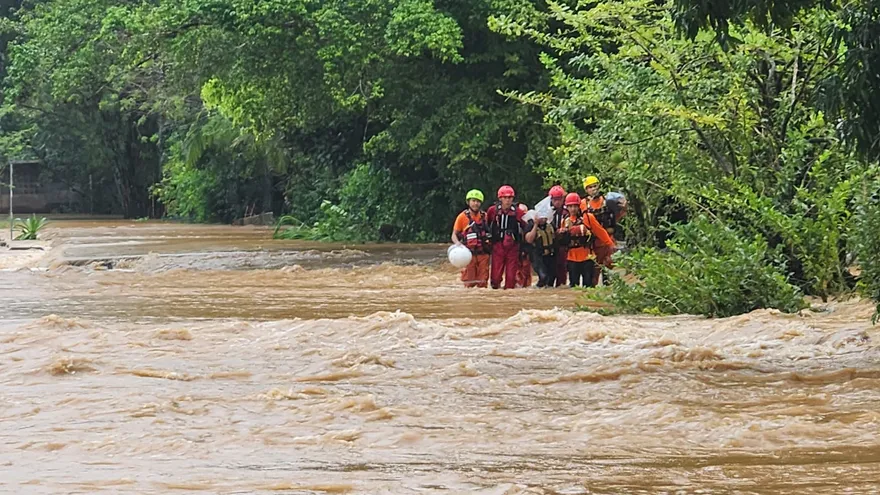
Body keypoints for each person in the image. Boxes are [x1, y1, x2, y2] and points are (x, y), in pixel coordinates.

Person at [558, 192, 613, 287]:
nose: (573, 209)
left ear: (579, 206)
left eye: (575, 206)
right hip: (572, 258)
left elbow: (600, 232)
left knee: (588, 286)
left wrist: (610, 245)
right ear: (567, 207)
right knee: (574, 286)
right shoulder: (565, 221)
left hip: (588, 257)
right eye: (570, 206)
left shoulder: (588, 217)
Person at [581, 175, 627, 285]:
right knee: (594, 273)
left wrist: (624, 207)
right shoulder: (584, 203)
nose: (593, 189)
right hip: (594, 243)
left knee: (610, 265)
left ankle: (608, 290)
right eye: (590, 187)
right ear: (586, 190)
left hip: (609, 239)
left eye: (595, 186)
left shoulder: (608, 201)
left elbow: (620, 214)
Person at [487, 185, 525, 289]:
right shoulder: (492, 211)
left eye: (510, 198)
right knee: (495, 279)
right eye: (505, 198)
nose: (507, 200)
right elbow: (487, 224)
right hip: (498, 246)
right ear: (500, 198)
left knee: (510, 280)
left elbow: (526, 226)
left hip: (513, 247)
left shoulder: (518, 212)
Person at [451, 189, 491, 288]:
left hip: (483, 253)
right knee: (469, 283)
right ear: (468, 202)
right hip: (468, 255)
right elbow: (454, 235)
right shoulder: (462, 217)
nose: (475, 203)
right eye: (473, 201)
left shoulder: (485, 216)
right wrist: (457, 244)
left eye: (477, 201)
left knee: (482, 282)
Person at [524, 208, 556, 287]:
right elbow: (529, 239)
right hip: (537, 256)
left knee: (551, 278)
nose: (542, 219)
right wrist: (535, 225)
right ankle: (537, 289)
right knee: (543, 276)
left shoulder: (550, 225)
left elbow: (555, 236)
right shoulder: (530, 225)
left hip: (550, 255)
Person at [548, 185, 568, 286]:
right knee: (550, 270)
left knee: (562, 269)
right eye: (555, 200)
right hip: (551, 245)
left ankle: (561, 285)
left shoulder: (567, 211)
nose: (557, 202)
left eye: (559, 199)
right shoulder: (547, 211)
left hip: (563, 245)